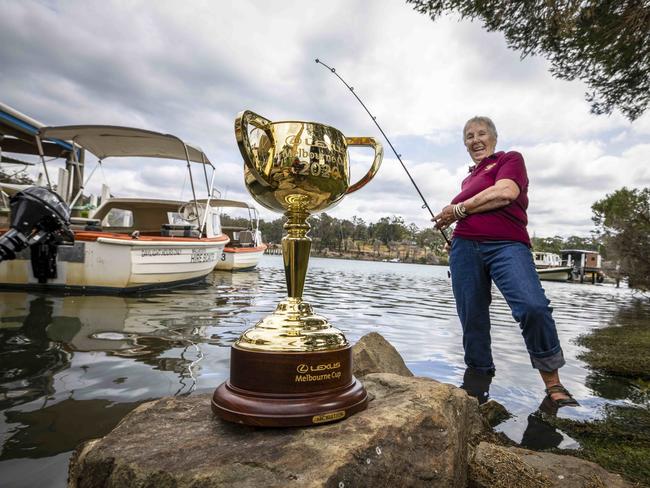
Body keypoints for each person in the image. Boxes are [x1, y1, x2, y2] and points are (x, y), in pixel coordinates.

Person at [433, 116, 578, 408]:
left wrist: (458, 209)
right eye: (468, 136)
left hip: (507, 244)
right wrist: (456, 226)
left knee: (532, 306)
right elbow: (477, 204)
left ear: (494, 138)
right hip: (463, 248)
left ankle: (554, 384)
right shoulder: (468, 179)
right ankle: (478, 383)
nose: (475, 140)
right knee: (472, 318)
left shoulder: (509, 159)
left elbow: (506, 193)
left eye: (481, 133)